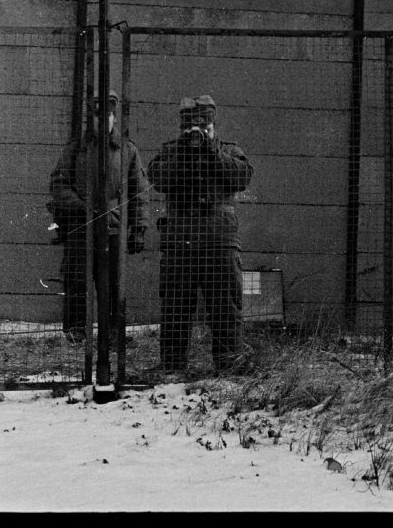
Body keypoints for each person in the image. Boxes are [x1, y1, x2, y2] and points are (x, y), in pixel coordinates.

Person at [148, 94, 253, 374]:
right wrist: (184, 152)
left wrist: (211, 151)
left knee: (225, 309)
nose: (197, 133)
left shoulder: (229, 151)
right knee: (175, 309)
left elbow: (242, 177)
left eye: (204, 128)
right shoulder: (171, 151)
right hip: (180, 244)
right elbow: (157, 178)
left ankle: (229, 368)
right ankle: (172, 368)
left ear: (213, 125)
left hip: (219, 242)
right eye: (190, 128)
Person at [48, 90, 150, 343]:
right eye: (96, 116)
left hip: (113, 229)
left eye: (108, 116)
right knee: (76, 283)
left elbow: (139, 192)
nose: (102, 121)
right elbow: (59, 184)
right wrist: (81, 206)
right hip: (80, 227)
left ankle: (114, 334)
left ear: (115, 118)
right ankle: (76, 333)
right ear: (90, 119)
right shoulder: (75, 150)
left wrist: (138, 229)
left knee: (113, 286)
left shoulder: (127, 151)